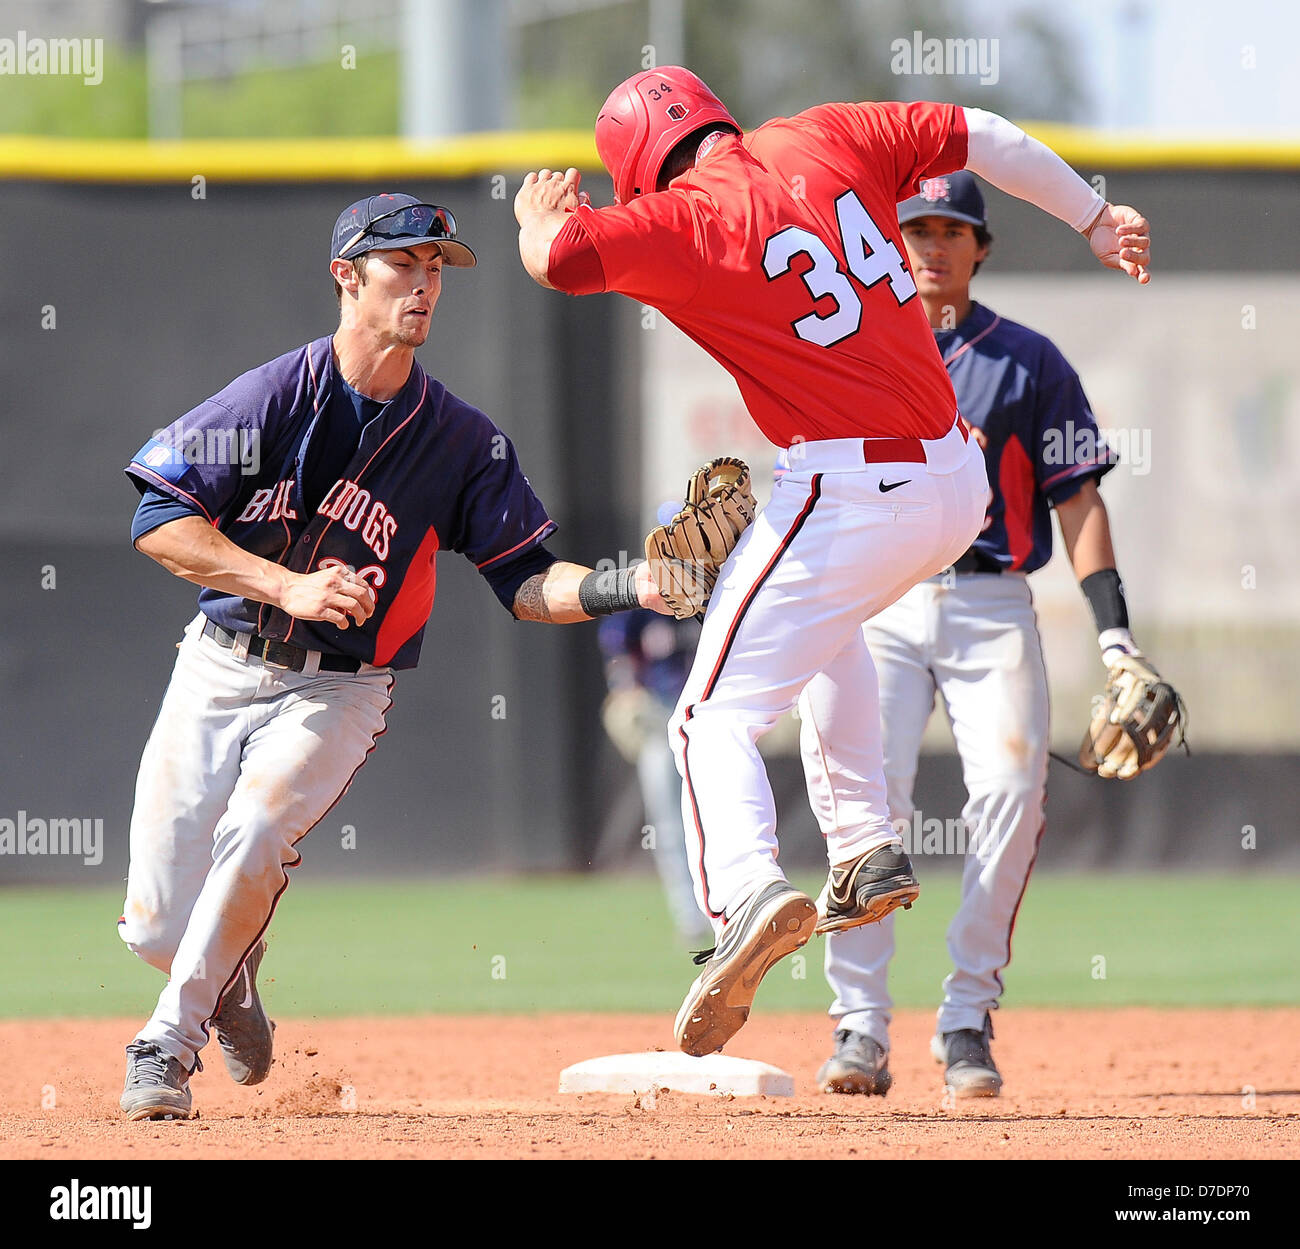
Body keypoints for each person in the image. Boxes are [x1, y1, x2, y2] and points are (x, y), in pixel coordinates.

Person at [514, 67, 1151, 1058]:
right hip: (951, 478)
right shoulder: (827, 132)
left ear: (639, 163)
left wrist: (534, 217)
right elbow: (984, 129)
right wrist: (1094, 217)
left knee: (707, 717)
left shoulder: (680, 217)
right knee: (827, 634)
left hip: (848, 483)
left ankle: (749, 896)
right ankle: (862, 848)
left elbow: (556, 258)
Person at [117, 193, 667, 1121]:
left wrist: (629, 585)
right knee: (156, 926)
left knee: (255, 834)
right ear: (347, 276)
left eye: (436, 266)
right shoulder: (273, 396)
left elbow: (525, 579)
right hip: (218, 661)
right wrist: (283, 584)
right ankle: (228, 974)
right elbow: (158, 521)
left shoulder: (462, 440)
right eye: (403, 263)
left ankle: (163, 1048)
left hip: (341, 687)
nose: (424, 283)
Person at [814, 171, 1166, 1099]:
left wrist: (1117, 641)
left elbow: (1079, 497)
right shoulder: (850, 347)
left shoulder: (1028, 361)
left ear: (979, 247)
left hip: (990, 599)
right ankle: (859, 1021)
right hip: (878, 599)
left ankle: (966, 1014)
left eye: (950, 228)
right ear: (890, 244)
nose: (931, 243)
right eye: (916, 227)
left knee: (1012, 789)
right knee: (866, 804)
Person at [597, 607, 712, 947]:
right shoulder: (642, 598)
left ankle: (731, 909)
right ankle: (691, 920)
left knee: (719, 819)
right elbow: (616, 651)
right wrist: (624, 687)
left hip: (709, 721)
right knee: (668, 827)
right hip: (660, 721)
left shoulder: (718, 587)